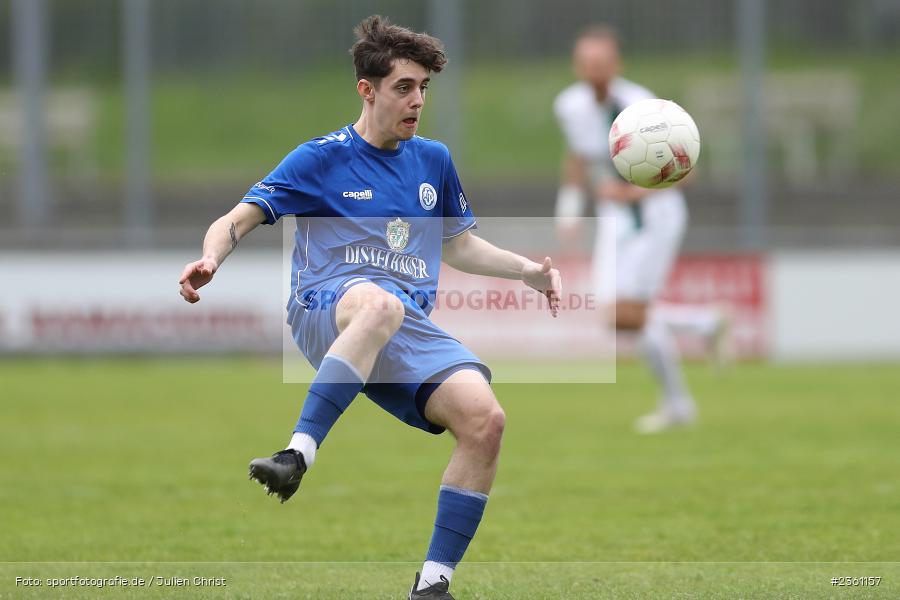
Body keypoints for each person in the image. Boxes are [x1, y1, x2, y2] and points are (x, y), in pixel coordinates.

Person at [179, 15, 561, 600]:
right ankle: (296, 454)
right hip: (324, 307)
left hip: (403, 320)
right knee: (379, 305)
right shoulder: (321, 158)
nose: (417, 101)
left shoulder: (432, 159)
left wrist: (529, 272)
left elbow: (458, 244)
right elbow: (237, 218)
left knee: (486, 421)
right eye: (404, 87)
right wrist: (210, 259)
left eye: (424, 89)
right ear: (367, 89)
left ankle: (433, 585)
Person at [553, 25, 728, 434]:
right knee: (616, 317)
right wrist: (569, 210)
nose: (594, 70)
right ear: (577, 66)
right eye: (587, 62)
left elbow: (686, 170)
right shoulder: (570, 105)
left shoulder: (643, 107)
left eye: (602, 62)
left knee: (630, 314)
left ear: (617, 64)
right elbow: (577, 157)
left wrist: (636, 194)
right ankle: (703, 325)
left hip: (655, 216)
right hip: (613, 220)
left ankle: (680, 401)